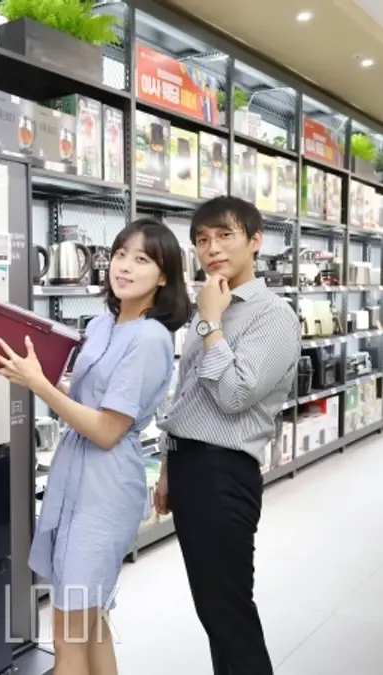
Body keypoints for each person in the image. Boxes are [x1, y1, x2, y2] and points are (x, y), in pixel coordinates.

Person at [0, 218, 190, 675]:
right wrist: (35, 374)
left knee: (68, 637)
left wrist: (39, 385)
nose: (125, 266)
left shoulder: (151, 338)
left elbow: (107, 430)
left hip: (105, 488)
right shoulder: (100, 324)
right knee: (92, 624)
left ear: (163, 276)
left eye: (142, 259)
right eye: (120, 254)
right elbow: (85, 397)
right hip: (73, 476)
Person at [154, 196, 301, 675]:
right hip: (191, 467)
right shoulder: (210, 303)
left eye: (224, 235)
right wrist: (168, 467)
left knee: (229, 614)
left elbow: (235, 394)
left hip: (224, 473)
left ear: (255, 241)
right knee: (214, 612)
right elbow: (188, 395)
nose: (211, 248)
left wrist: (211, 321)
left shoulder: (273, 315)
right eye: (202, 239)